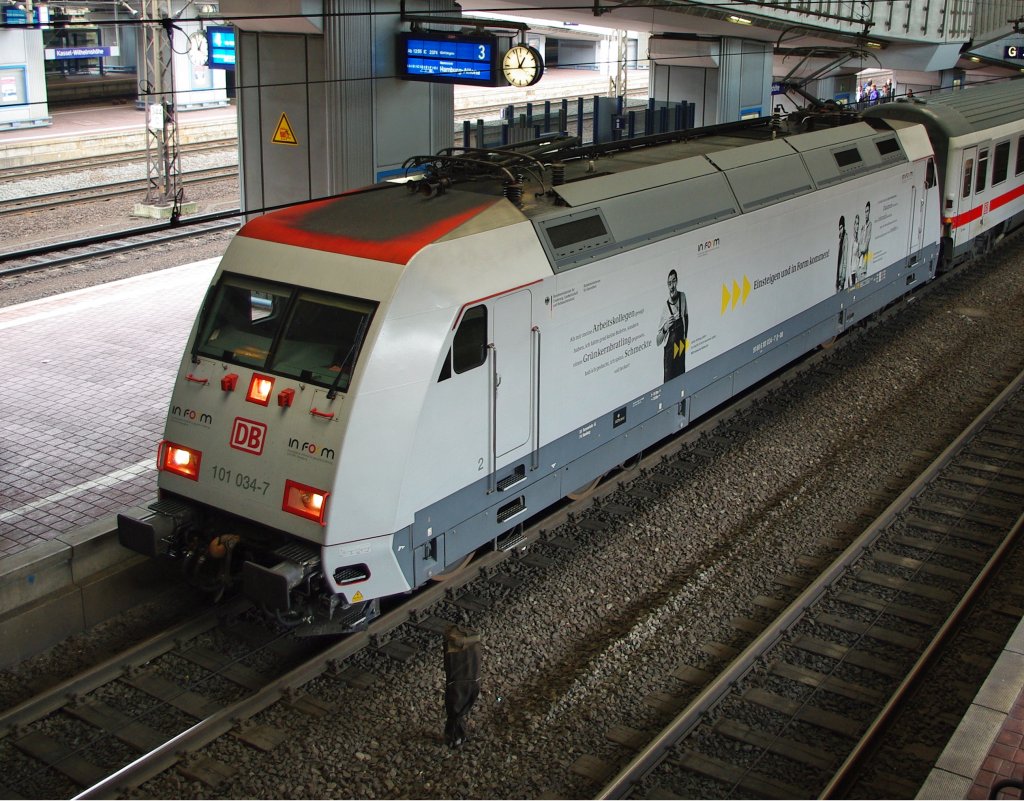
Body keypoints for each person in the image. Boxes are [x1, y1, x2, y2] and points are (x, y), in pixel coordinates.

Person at [656, 268, 688, 381]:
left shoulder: (683, 297)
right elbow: (657, 341)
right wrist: (665, 328)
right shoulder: (665, 308)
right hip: (670, 356)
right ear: (667, 285)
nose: (672, 286)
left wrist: (685, 339)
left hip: (681, 349)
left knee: (681, 380)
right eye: (669, 283)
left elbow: (686, 317)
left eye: (673, 281)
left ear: (677, 281)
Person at [836, 216, 848, 292]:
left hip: (841, 278)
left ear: (843, 227)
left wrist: (842, 279)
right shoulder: (841, 240)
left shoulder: (845, 239)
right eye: (839, 229)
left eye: (841, 228)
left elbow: (845, 261)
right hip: (838, 278)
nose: (840, 230)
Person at [859, 201, 872, 274]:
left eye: (867, 211)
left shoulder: (870, 225)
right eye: (865, 211)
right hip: (860, 257)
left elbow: (866, 242)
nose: (866, 214)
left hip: (865, 256)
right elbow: (860, 240)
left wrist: (860, 249)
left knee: (863, 273)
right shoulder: (863, 226)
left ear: (869, 212)